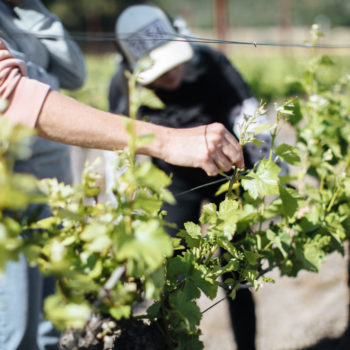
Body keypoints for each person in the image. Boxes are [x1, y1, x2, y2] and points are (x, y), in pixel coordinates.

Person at [108, 4, 269, 350]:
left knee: (237, 275)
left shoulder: (209, 62)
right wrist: (124, 198)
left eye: (173, 63)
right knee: (172, 276)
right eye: (158, 72)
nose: (170, 76)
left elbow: (247, 112)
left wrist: (262, 172)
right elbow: (118, 143)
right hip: (173, 183)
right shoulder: (123, 86)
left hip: (229, 174)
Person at [0, 1, 86, 349]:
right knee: (16, 327)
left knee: (51, 319)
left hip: (55, 184)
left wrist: (31, 7)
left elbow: (75, 74)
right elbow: (18, 99)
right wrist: (42, 81)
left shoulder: (20, 12)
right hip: (13, 190)